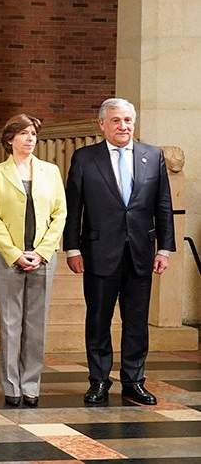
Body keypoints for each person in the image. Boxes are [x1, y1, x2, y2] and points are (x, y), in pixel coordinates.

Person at [64, 97, 175, 406]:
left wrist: (165, 249)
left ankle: (133, 381)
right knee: (98, 320)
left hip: (141, 252)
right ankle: (99, 381)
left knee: (136, 322)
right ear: (102, 124)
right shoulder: (85, 158)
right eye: (116, 120)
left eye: (127, 120)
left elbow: (163, 205)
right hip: (98, 251)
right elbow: (74, 207)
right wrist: (72, 247)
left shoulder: (153, 156)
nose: (123, 126)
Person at [0, 114, 67, 408]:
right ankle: (11, 385)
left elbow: (60, 214)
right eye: (23, 133)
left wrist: (42, 252)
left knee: (36, 324)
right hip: (7, 257)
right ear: (10, 139)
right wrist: (15, 253)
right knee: (10, 324)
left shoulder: (51, 171)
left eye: (33, 133)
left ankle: (31, 384)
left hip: (43, 257)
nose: (30, 138)